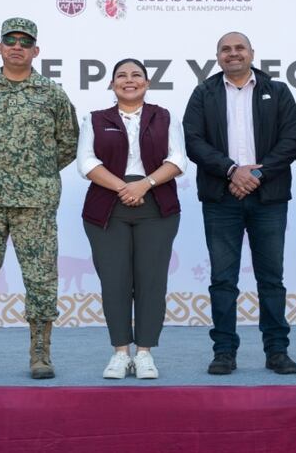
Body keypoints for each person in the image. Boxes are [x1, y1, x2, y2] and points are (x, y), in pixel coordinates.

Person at [0, 17, 79, 379]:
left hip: (34, 203)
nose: (17, 46)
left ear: (36, 50)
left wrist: (36, 175)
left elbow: (68, 143)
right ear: (0, 48)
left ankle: (40, 355)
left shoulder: (51, 95)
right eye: (11, 41)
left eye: (25, 42)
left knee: (40, 278)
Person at [183, 31, 296, 375]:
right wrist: (232, 171)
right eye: (226, 49)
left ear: (252, 53)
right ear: (218, 56)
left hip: (269, 198)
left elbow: (292, 140)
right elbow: (193, 141)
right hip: (222, 198)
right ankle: (224, 352)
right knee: (223, 280)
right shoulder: (203, 93)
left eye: (239, 48)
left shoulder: (277, 91)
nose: (233, 54)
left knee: (271, 279)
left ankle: (277, 351)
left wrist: (256, 176)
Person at [77, 59, 186, 379]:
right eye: (121, 76)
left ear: (147, 82)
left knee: (152, 282)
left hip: (157, 206)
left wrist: (144, 184)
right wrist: (124, 187)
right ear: (111, 85)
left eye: (136, 75)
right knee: (115, 282)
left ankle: (145, 354)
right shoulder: (94, 119)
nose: (129, 80)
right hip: (107, 207)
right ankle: (120, 352)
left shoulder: (165, 117)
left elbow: (178, 159)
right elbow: (86, 162)